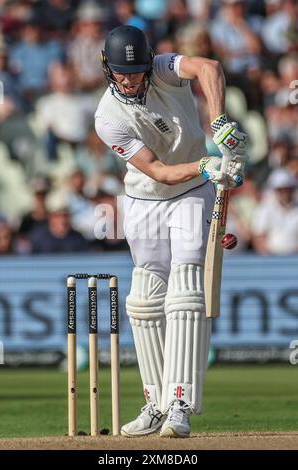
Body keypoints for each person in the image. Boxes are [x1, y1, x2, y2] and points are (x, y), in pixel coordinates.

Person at [95, 25, 247, 438]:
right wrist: (204, 165)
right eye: (123, 73)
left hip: (192, 195)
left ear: (149, 64)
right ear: (109, 70)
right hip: (145, 197)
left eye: (137, 71)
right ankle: (155, 402)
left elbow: (208, 67)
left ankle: (179, 402)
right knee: (143, 300)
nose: (131, 80)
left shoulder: (162, 69)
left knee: (184, 288)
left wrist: (218, 122)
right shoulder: (108, 118)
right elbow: (158, 171)